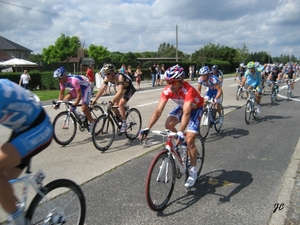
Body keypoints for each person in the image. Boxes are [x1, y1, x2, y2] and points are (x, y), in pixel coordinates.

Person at [139, 65, 204, 188]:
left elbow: (187, 113)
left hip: (195, 109)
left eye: (172, 82)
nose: (170, 85)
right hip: (182, 106)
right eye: (168, 82)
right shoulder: (167, 90)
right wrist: (148, 127)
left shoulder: (188, 90)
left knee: (190, 140)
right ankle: (181, 145)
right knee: (168, 124)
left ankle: (193, 172)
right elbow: (158, 111)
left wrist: (180, 131)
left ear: (180, 81)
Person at [0, 79, 53, 225]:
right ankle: (16, 215)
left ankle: (20, 221)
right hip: (23, 129)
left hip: (39, 128)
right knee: (3, 182)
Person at [92, 64, 136, 132]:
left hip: (129, 89)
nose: (107, 76)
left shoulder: (119, 77)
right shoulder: (107, 78)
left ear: (113, 72)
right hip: (122, 89)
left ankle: (124, 125)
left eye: (108, 74)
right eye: (105, 74)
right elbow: (101, 90)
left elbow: (120, 91)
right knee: (112, 106)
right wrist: (95, 99)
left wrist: (113, 100)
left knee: (121, 104)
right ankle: (120, 119)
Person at [53, 66, 95, 134]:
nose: (58, 80)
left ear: (64, 76)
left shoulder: (73, 80)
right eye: (57, 79)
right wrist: (58, 104)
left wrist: (75, 104)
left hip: (86, 87)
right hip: (77, 88)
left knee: (84, 108)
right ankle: (78, 114)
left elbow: (79, 95)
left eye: (59, 78)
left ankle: (92, 122)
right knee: (65, 99)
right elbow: (61, 95)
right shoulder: (61, 82)